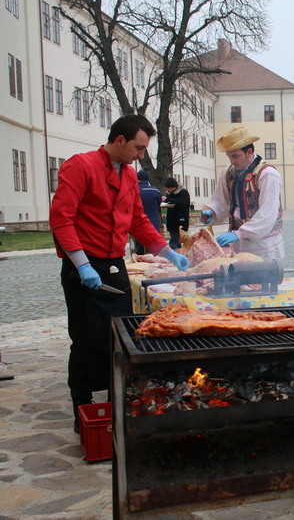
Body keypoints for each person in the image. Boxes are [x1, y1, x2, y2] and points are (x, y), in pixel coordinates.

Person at [49, 114, 190, 432]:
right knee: (85, 340)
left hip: (114, 265)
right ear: (120, 140)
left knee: (119, 337)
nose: (141, 155)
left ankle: (117, 402)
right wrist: (81, 263)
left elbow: (137, 220)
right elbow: (61, 218)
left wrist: (166, 251)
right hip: (83, 266)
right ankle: (82, 407)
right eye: (138, 148)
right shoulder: (80, 166)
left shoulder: (128, 174)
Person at [201, 126, 284, 261]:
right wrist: (211, 212)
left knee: (262, 273)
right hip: (238, 244)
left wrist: (241, 233)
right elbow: (220, 202)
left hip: (263, 244)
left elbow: (268, 213)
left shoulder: (267, 174)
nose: (232, 161)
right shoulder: (229, 172)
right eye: (229, 156)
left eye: (235, 156)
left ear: (249, 152)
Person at [133, 168, 162, 255]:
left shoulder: (135, 190)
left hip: (138, 222)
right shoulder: (155, 190)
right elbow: (159, 203)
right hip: (153, 221)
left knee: (139, 247)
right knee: (153, 248)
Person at [163, 176, 191, 250]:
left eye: (168, 188)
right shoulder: (170, 194)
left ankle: (171, 254)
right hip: (172, 222)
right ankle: (179, 253)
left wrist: (167, 199)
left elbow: (182, 203)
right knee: (177, 243)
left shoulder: (183, 192)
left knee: (173, 242)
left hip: (180, 222)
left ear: (173, 187)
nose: (167, 190)